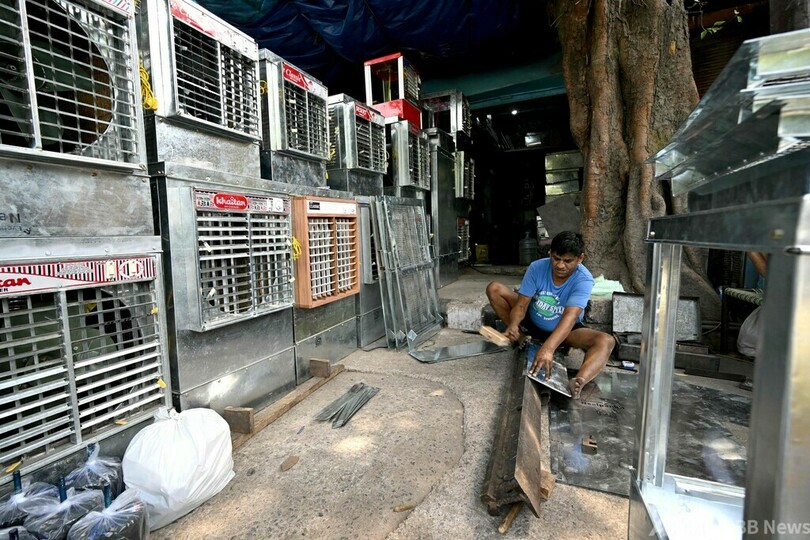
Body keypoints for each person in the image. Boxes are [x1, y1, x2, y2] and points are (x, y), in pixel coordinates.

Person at [486, 231, 615, 399]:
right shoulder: (537, 268)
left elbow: (570, 318)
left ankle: (579, 380)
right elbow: (522, 304)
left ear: (580, 258)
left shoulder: (584, 280)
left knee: (606, 341)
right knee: (494, 288)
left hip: (565, 331)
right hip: (532, 320)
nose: (560, 265)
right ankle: (519, 337)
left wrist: (548, 349)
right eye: (556, 258)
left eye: (568, 261)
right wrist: (513, 324)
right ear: (550, 254)